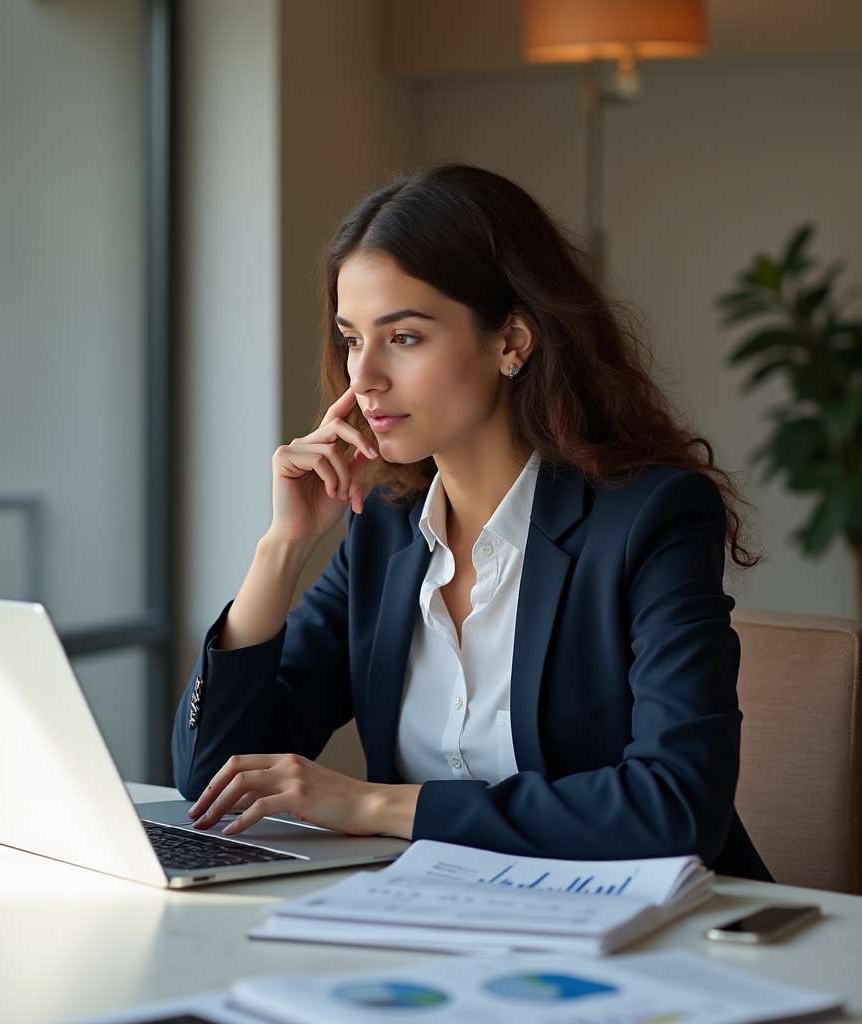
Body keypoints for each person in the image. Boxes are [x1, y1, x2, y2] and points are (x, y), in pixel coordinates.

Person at [172, 163, 771, 881]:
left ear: (512, 341)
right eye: (352, 338)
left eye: (405, 338)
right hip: (441, 921)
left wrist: (375, 806)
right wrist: (283, 547)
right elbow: (211, 779)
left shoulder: (650, 517)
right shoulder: (384, 529)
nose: (363, 378)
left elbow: (676, 808)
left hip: (653, 933)